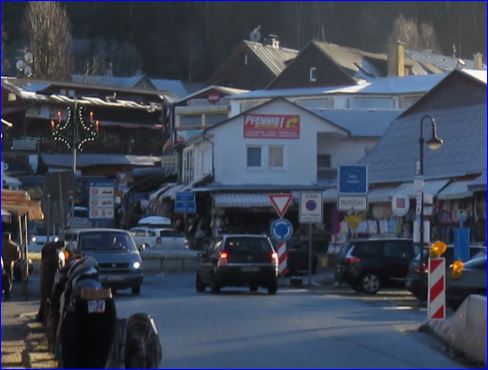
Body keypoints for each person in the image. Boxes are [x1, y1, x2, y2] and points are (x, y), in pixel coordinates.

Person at [2, 232, 21, 300]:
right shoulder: (14, 245)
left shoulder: (2, 245)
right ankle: (7, 294)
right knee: (9, 279)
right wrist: (13, 260)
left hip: (1, 265)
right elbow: (18, 256)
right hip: (9, 264)